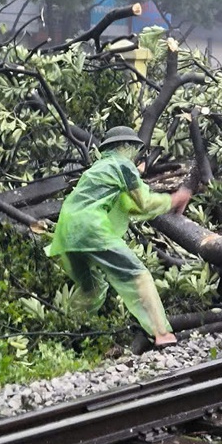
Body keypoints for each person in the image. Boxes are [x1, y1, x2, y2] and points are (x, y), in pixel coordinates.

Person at [48, 126, 192, 348]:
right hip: (91, 228)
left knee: (92, 289)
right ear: (126, 146)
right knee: (138, 275)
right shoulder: (122, 165)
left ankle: (65, 338)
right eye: (133, 148)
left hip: (66, 232)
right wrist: (173, 199)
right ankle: (162, 334)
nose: (134, 153)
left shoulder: (100, 169)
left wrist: (164, 204)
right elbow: (143, 202)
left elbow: (128, 207)